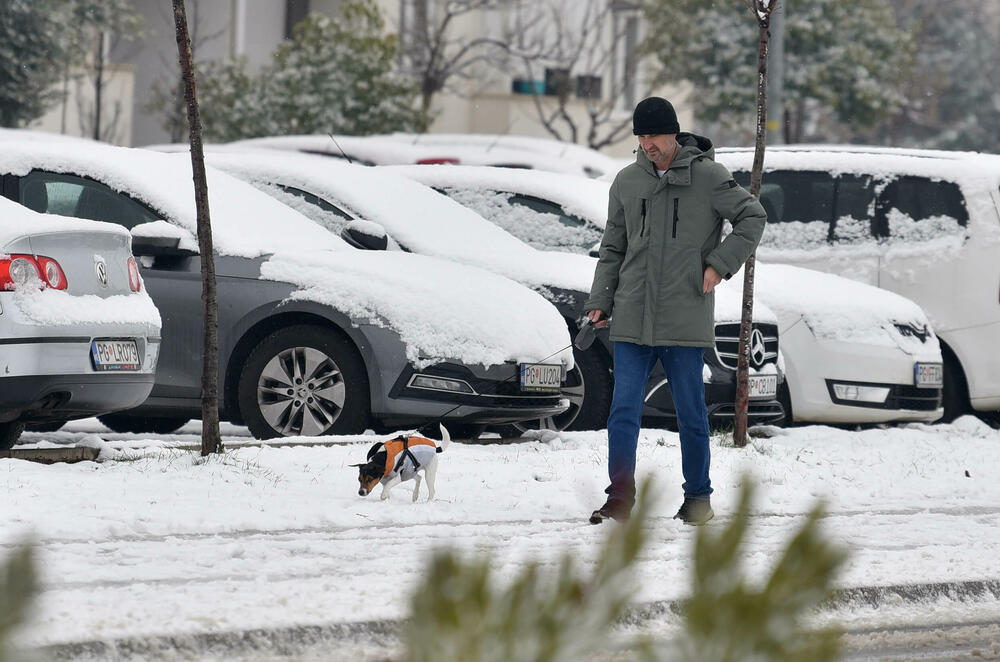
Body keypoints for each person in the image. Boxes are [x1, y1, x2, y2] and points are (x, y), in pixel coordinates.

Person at [585, 97, 766, 525]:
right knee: (623, 410)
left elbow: (752, 217)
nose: (647, 145)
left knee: (690, 412)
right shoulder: (628, 182)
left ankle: (698, 499)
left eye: (653, 136)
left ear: (673, 133)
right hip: (631, 313)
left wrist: (718, 266)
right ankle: (620, 498)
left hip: (684, 314)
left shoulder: (707, 176)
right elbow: (613, 248)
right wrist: (599, 301)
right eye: (641, 137)